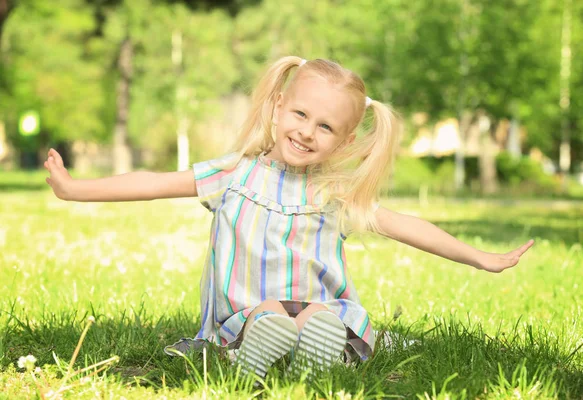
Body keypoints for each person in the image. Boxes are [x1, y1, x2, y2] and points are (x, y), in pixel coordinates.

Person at [43, 56, 534, 379]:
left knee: (320, 315)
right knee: (269, 315)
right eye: (300, 115)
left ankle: (316, 355)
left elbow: (409, 226)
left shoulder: (335, 194)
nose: (307, 132)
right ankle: (255, 353)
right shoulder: (232, 174)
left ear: (343, 141)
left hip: (318, 310)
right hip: (247, 314)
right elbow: (151, 182)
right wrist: (75, 189)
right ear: (278, 108)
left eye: (326, 126)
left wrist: (479, 258)